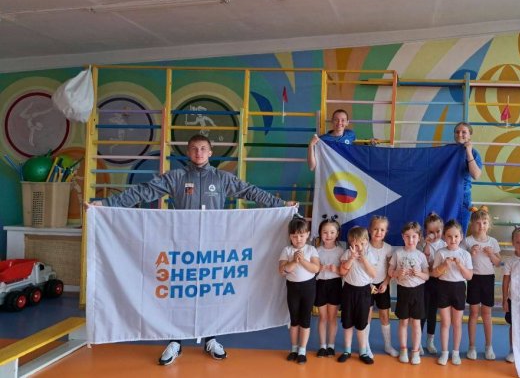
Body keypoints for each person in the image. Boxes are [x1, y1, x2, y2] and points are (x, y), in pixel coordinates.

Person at [87, 134, 297, 366]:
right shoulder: (177, 177)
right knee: (179, 291)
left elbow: (250, 191)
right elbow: (143, 191)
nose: (199, 153)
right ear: (188, 152)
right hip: (182, 247)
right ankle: (175, 340)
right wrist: (106, 204)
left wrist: (280, 205)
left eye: (203, 148)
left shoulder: (221, 178)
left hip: (212, 249)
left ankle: (211, 338)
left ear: (210, 153)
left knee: (210, 292)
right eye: (194, 149)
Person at [279, 216, 321, 364]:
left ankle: (302, 350)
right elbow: (282, 271)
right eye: (295, 236)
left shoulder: (311, 249)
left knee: (305, 320)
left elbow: (316, 268)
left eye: (301, 236)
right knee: (294, 319)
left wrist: (302, 260)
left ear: (308, 234)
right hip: (293, 288)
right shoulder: (287, 250)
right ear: (290, 236)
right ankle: (294, 349)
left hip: (308, 287)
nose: (298, 239)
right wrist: (294, 261)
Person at [432, 219, 473, 366]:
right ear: (444, 237)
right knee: (445, 322)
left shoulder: (465, 255)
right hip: (443, 288)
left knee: (457, 323)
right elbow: (434, 274)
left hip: (459, 288)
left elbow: (469, 276)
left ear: (461, 237)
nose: (453, 239)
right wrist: (444, 265)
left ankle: (455, 352)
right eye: (449, 236)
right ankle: (444, 352)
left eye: (456, 236)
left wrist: (460, 265)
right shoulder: (440, 253)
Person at [388, 222, 430, 365]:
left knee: (416, 323)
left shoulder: (421, 255)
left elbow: (427, 276)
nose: (410, 240)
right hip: (403, 291)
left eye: (414, 237)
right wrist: (397, 273)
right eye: (407, 236)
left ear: (419, 238)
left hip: (418, 292)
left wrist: (419, 273)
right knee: (403, 322)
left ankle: (416, 351)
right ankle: (404, 349)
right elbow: (390, 272)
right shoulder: (398, 253)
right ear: (402, 237)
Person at [462, 208, 501, 360]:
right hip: (473, 278)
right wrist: (470, 253)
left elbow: (498, 263)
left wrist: (491, 254)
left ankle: (488, 346)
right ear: (472, 224)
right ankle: (471, 346)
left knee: (487, 313)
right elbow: (461, 261)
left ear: (488, 224)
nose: (481, 226)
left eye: (484, 223)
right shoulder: (468, 241)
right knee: (473, 313)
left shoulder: (493, 241)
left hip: (488, 279)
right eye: (478, 223)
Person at [338, 226, 377, 365]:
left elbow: (373, 274)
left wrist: (364, 260)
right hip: (349, 290)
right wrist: (351, 258)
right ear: (350, 243)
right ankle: (347, 351)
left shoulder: (370, 255)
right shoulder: (347, 253)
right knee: (347, 323)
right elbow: (342, 272)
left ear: (367, 241)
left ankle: (363, 352)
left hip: (364, 292)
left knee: (362, 324)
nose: (358, 247)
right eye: (355, 244)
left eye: (361, 243)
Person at [367, 215, 398, 357]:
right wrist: (368, 284)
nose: (378, 232)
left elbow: (390, 270)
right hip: (366, 285)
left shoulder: (388, 248)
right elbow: (360, 269)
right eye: (375, 229)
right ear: (369, 229)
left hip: (382, 285)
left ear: (386, 232)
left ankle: (388, 345)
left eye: (382, 230)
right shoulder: (364, 246)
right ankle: (365, 346)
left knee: (385, 315)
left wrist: (385, 283)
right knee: (366, 315)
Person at [313, 216, 344, 358]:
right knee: (322, 317)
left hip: (335, 285)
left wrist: (336, 269)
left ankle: (331, 345)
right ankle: (322, 346)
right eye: (325, 232)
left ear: (337, 234)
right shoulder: (316, 251)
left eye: (332, 232)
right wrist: (319, 268)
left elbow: (344, 272)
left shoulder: (340, 251)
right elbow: (312, 270)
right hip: (320, 285)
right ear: (320, 233)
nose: (328, 235)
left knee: (332, 317)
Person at [307, 109, 377, 170]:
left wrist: (368, 142)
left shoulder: (350, 134)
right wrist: (311, 145)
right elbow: (312, 167)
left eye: (343, 120)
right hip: (331, 174)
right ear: (332, 121)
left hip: (347, 172)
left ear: (347, 123)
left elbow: (354, 144)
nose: (339, 123)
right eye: (336, 120)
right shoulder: (322, 140)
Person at [501, 226, 520, 363]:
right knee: (514, 326)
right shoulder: (510, 261)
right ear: (513, 243)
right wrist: (504, 299)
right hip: (513, 300)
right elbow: (506, 281)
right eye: (518, 242)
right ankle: (513, 350)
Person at [420, 212, 446, 355]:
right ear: (426, 231)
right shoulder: (422, 244)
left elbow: (441, 266)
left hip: (439, 282)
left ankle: (430, 341)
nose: (435, 235)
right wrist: (427, 244)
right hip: (424, 281)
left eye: (438, 231)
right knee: (422, 312)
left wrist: (435, 267)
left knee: (432, 313)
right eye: (431, 232)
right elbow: (424, 262)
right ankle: (418, 341)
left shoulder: (445, 245)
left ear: (442, 230)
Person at [454, 122, 482, 235]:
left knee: (460, 231)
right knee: (444, 228)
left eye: (464, 132)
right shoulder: (447, 150)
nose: (460, 134)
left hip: (463, 197)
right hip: (446, 195)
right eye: (457, 132)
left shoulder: (474, 153)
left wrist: (469, 152)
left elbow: (476, 175)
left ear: (470, 135)